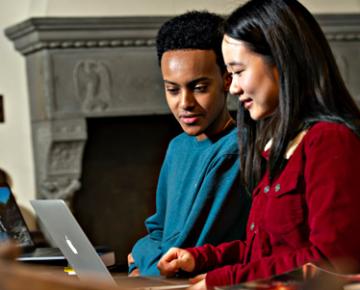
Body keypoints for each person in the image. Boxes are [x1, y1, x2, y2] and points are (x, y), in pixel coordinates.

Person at [157, 0, 360, 288]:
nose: (234, 87)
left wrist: (221, 279)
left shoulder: (329, 141)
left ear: (280, 62)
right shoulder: (275, 145)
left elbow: (329, 260)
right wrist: (202, 258)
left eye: (239, 72)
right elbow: (268, 253)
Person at [128, 11, 251, 276]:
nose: (184, 103)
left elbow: (185, 250)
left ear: (227, 80)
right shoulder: (177, 147)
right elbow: (158, 230)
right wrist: (144, 256)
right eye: (172, 89)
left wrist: (139, 259)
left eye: (198, 87)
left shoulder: (237, 149)